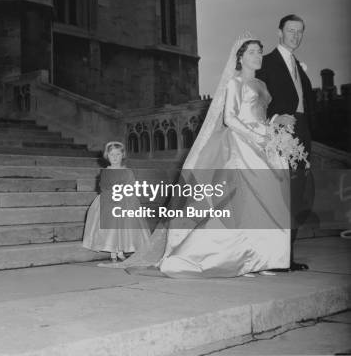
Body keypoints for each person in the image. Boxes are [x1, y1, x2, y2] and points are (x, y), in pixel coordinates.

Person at [114, 34, 291, 278]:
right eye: (252, 52)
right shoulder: (234, 83)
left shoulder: (262, 85)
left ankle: (260, 258)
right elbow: (230, 118)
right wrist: (256, 137)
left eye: (260, 52)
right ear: (240, 57)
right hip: (241, 146)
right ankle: (235, 258)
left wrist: (273, 127)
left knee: (266, 203)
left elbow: (260, 114)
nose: (258, 56)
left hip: (265, 146)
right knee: (239, 204)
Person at [256, 14, 314, 271]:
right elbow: (255, 100)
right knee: (279, 196)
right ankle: (273, 257)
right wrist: (276, 117)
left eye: (300, 31)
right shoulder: (266, 62)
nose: (295, 36)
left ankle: (287, 257)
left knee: (297, 197)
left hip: (302, 134)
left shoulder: (299, 67)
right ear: (279, 32)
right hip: (278, 135)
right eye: (291, 30)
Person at [82, 141, 152, 262]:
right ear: (107, 156)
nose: (114, 157)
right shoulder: (105, 171)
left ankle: (120, 251)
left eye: (117, 154)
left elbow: (131, 186)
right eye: (111, 154)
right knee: (112, 226)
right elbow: (103, 187)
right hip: (109, 200)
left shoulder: (128, 171)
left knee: (124, 225)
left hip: (125, 200)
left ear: (122, 155)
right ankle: (113, 252)